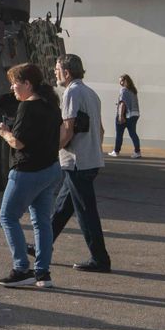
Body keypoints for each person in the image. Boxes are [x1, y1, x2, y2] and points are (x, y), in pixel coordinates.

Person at [0, 63, 61, 288]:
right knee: (42, 221)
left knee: (7, 217)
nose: (12, 87)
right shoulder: (51, 105)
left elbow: (19, 142)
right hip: (50, 169)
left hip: (27, 171)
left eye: (14, 83)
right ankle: (43, 273)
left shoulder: (26, 108)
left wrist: (4, 133)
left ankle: (21, 268)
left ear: (27, 84)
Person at [50, 54, 112, 273]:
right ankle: (42, 246)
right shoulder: (91, 93)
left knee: (86, 212)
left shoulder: (71, 92)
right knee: (62, 207)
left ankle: (100, 259)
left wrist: (52, 149)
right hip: (90, 159)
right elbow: (101, 130)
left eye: (57, 69)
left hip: (78, 162)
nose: (55, 72)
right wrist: (93, 150)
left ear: (67, 72)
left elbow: (68, 128)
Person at [112, 73, 141, 158]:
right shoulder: (133, 90)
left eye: (121, 81)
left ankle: (116, 151)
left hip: (126, 115)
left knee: (119, 134)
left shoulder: (123, 90)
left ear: (126, 81)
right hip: (135, 114)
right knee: (133, 134)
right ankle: (137, 152)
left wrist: (121, 116)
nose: (120, 83)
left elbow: (122, 104)